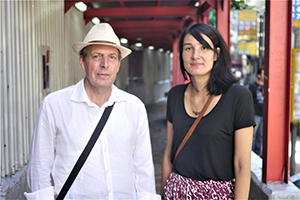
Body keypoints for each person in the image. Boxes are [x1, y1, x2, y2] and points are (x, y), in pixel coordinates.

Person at [24, 23, 160, 200]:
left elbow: (144, 170)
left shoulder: (134, 107)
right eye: (97, 56)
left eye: (112, 57)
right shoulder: (54, 105)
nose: (105, 64)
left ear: (118, 64)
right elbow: (39, 169)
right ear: (82, 61)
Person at [160, 23, 255, 200]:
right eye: (189, 48)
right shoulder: (175, 95)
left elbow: (242, 164)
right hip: (176, 193)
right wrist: (162, 195)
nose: (195, 56)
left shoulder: (238, 97)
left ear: (216, 54)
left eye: (204, 48)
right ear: (182, 54)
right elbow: (168, 154)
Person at [249, 68, 264, 157]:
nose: (264, 75)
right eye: (262, 73)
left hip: (263, 114)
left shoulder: (266, 85)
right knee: (253, 135)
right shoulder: (253, 86)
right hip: (255, 113)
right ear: (258, 75)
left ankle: (258, 153)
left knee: (260, 135)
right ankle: (251, 153)